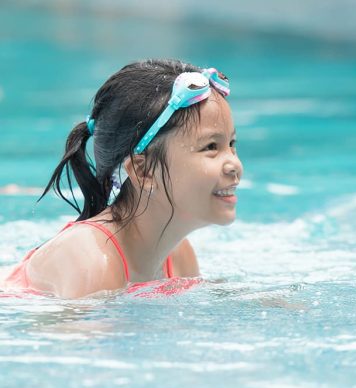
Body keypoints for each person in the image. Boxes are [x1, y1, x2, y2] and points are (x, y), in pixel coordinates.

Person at [2, 59, 243, 298]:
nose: (235, 165)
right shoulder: (94, 260)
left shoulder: (178, 256)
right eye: (211, 146)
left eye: (231, 144)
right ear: (143, 171)